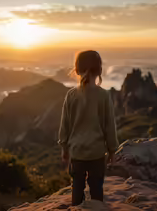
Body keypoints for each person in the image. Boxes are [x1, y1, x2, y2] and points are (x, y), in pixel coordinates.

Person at [58, 50, 119, 206]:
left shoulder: (71, 95)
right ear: (99, 70)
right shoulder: (104, 96)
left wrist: (64, 149)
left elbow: (65, 126)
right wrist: (112, 151)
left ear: (77, 70)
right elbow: (109, 126)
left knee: (77, 188)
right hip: (97, 153)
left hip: (77, 152)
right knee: (96, 189)